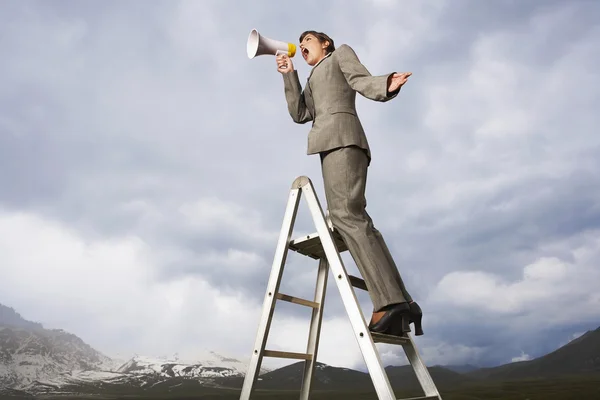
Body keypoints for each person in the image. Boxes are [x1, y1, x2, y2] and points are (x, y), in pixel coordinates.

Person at [276, 30, 423, 337]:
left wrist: (386, 84)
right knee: (354, 218)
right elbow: (301, 113)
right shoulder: (313, 74)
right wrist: (289, 75)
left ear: (325, 43)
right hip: (329, 145)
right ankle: (403, 301)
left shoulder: (339, 53)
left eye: (308, 40)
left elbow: (360, 80)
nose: (301, 45)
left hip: (344, 140)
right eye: (299, 43)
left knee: (346, 216)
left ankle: (391, 302)